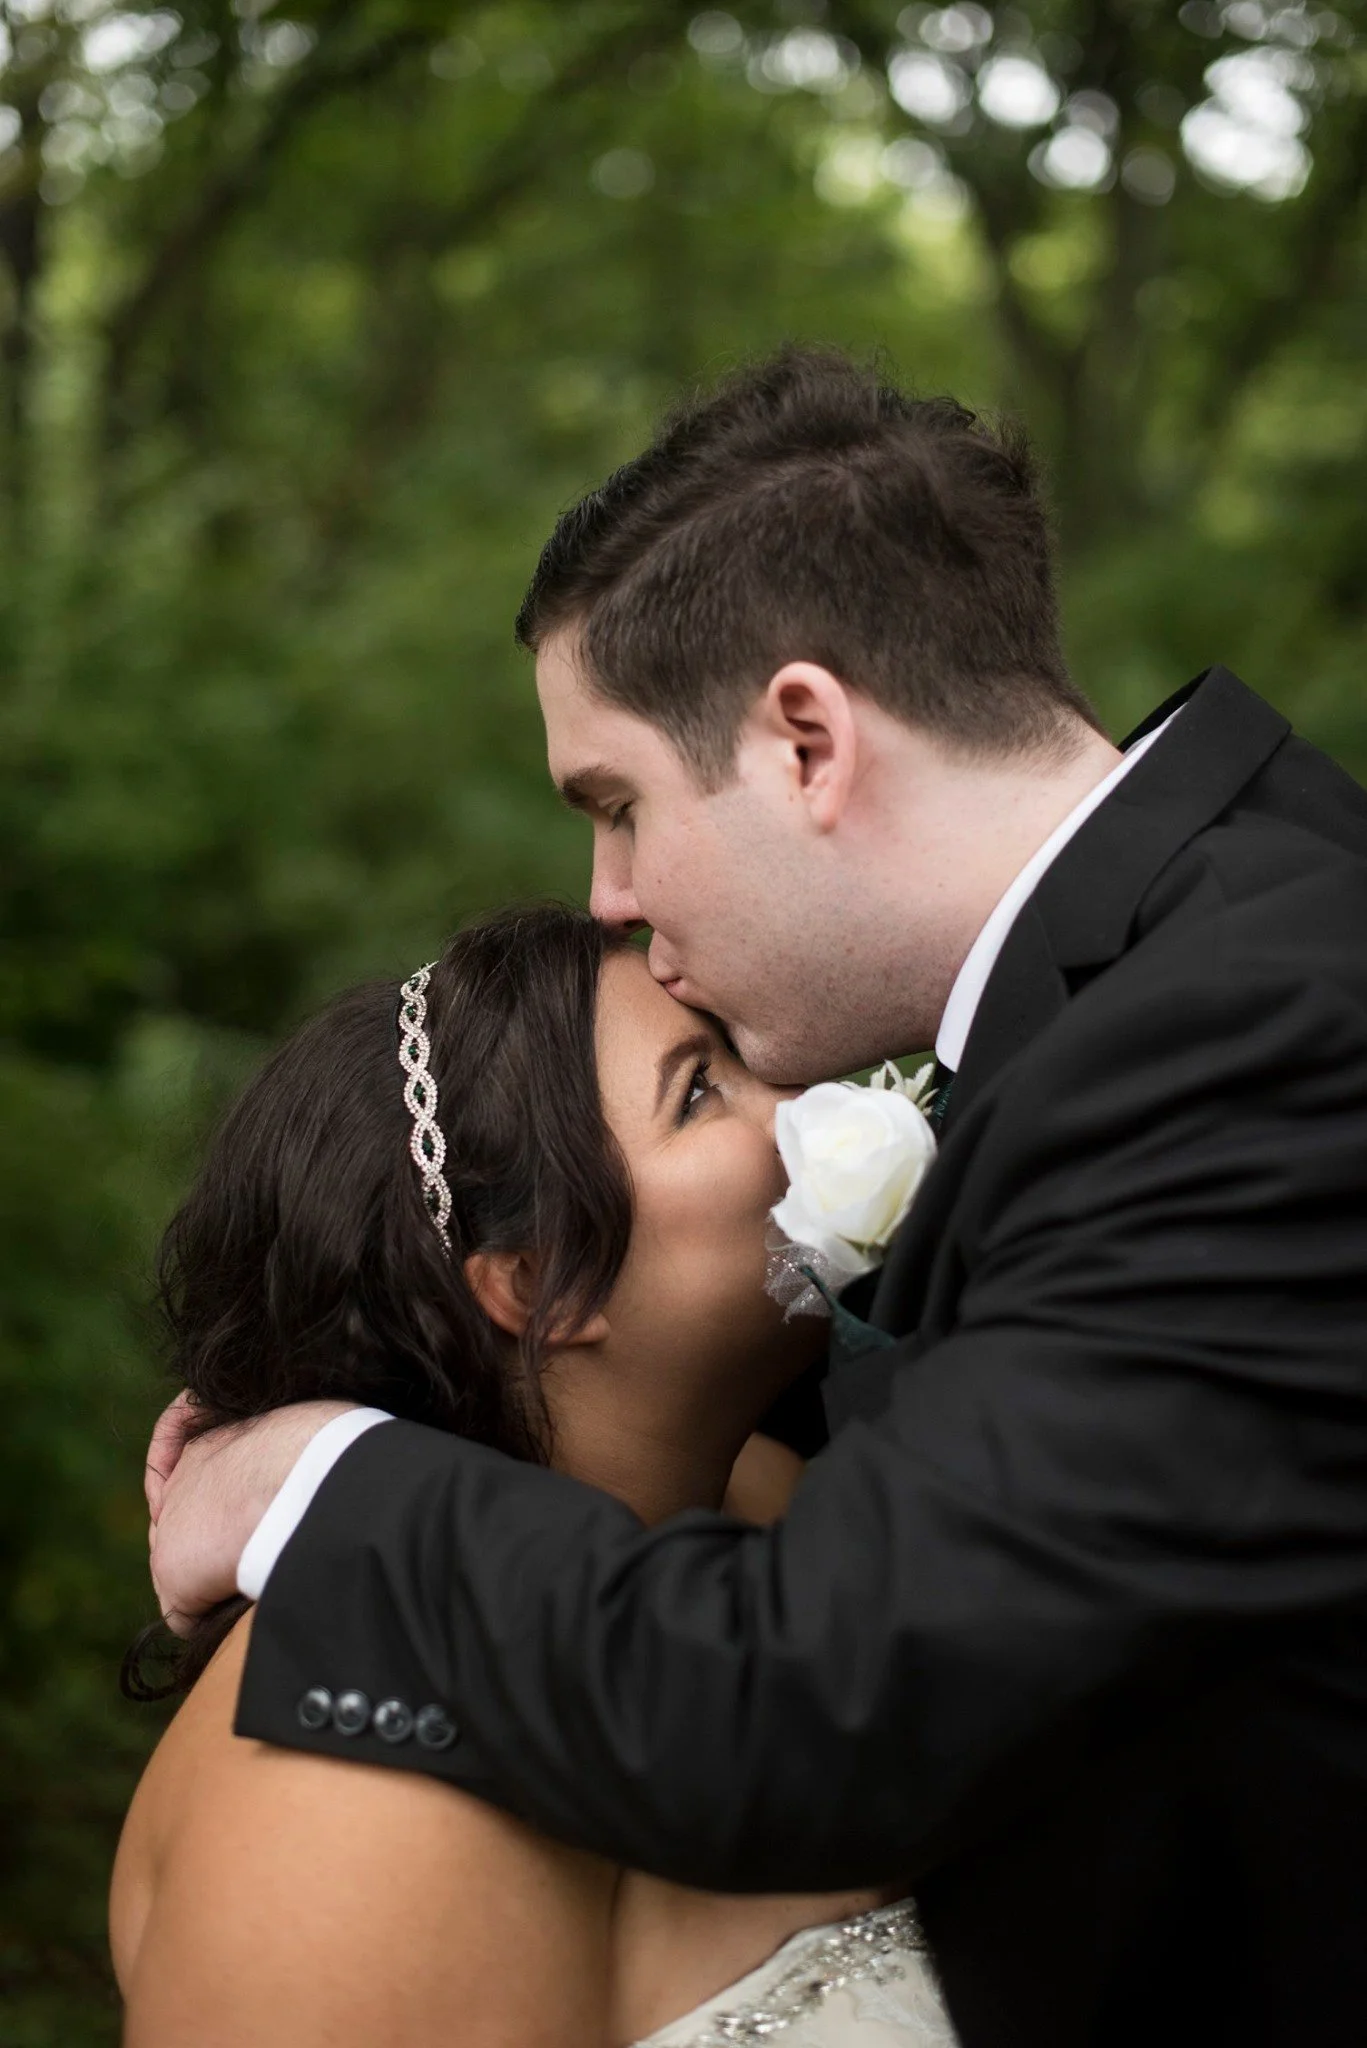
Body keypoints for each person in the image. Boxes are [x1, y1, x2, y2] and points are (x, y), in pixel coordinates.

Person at [147, 348, 1367, 2048]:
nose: (615, 893)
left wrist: (320, 1476)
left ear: (805, 737)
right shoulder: (1205, 948)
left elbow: (826, 1695)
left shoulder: (1240, 1027)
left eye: (618, 804)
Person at [113, 904, 953, 2045]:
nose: (804, 1098)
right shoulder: (351, 1768)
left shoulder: (767, 1493)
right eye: (699, 1089)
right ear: (537, 1282)